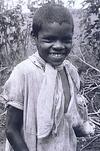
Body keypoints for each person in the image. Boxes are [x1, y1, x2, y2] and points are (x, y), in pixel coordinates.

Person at [2, 3, 95, 151]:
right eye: (49, 39)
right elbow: (11, 130)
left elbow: (70, 119)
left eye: (66, 40)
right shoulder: (23, 74)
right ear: (34, 37)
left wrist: (83, 127)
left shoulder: (70, 73)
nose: (58, 46)